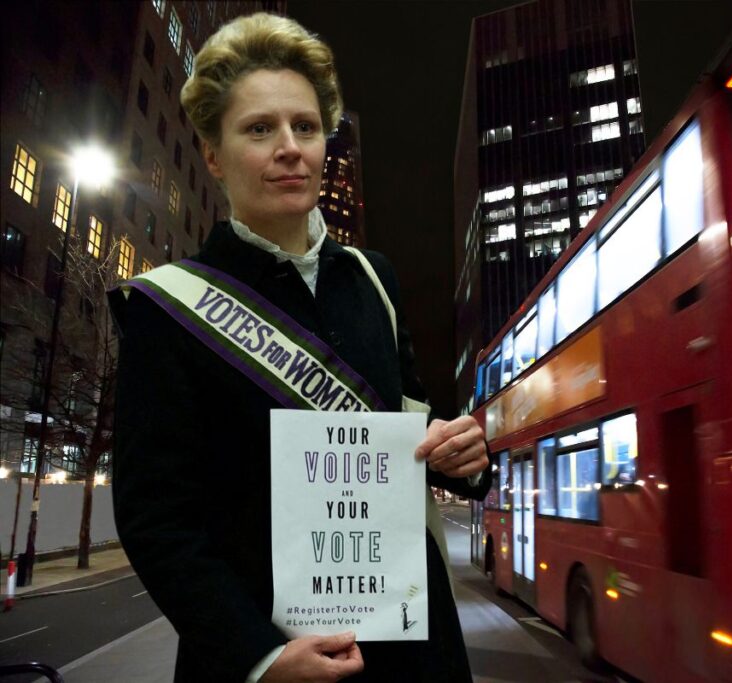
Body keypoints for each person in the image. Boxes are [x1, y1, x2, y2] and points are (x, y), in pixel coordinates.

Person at [109, 12, 490, 683]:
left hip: (410, 653)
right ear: (213, 154)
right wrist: (256, 654)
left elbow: (407, 435)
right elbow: (156, 518)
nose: (291, 147)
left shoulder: (375, 279)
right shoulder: (169, 307)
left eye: (305, 127)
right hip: (271, 656)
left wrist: (461, 456)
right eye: (260, 129)